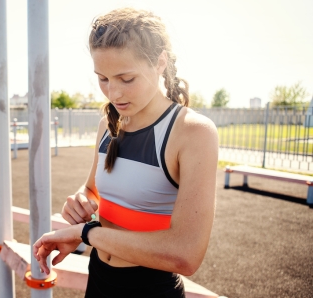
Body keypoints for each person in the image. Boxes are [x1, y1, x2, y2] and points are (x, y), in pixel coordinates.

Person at [33, 7, 218, 298]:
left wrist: (86, 233)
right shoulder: (109, 124)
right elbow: (93, 190)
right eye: (103, 78)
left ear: (159, 63)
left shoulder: (193, 132)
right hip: (99, 279)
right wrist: (81, 200)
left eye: (126, 79)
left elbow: (185, 255)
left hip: (151, 289)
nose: (113, 93)